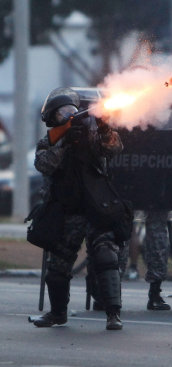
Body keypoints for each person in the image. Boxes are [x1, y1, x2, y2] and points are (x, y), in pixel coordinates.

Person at [32, 88, 126, 330]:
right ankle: (57, 313)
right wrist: (64, 142)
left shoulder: (92, 137)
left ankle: (113, 313)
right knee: (58, 265)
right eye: (63, 113)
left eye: (72, 111)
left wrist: (104, 128)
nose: (69, 115)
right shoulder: (49, 141)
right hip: (68, 211)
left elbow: (114, 149)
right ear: (53, 119)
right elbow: (45, 164)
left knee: (106, 255)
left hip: (97, 208)